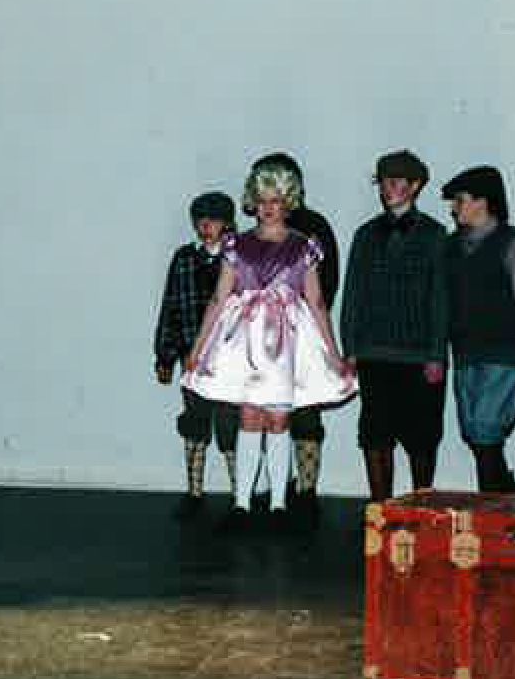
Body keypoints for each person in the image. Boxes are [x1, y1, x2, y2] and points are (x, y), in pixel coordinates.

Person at [182, 156, 355, 527]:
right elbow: (219, 298)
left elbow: (317, 301)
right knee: (248, 417)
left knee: (279, 419)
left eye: (275, 200)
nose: (268, 208)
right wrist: (197, 350)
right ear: (253, 202)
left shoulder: (304, 246)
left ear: (288, 201)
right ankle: (242, 503)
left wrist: (334, 353)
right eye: (261, 201)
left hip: (285, 344)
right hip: (245, 342)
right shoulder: (236, 245)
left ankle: (278, 504)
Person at [340, 149, 449, 500]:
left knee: (422, 438)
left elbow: (440, 299)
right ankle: (380, 510)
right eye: (384, 182)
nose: (388, 189)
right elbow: (352, 294)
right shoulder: (365, 234)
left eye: (397, 182)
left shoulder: (435, 235)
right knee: (375, 436)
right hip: (374, 353)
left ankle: (422, 508)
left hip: (418, 355)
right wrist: (350, 348)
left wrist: (436, 354)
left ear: (415, 186)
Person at [440, 165, 515, 494]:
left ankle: (493, 505)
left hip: (503, 355)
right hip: (466, 354)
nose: (454, 208)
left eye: (460, 200)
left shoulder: (514, 245)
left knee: (486, 430)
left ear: (482, 202)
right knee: (476, 434)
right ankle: (508, 501)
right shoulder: (451, 247)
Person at [256, 152, 343, 522]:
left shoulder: (312, 227)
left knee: (306, 412)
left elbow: (326, 283)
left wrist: (309, 326)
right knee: (263, 413)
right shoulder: (257, 230)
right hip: (261, 339)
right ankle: (273, 489)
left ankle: (306, 490)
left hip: (301, 335)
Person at [153, 191, 241, 517]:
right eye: (200, 221)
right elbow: (171, 306)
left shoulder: (239, 257)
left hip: (231, 359)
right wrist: (165, 354)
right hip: (192, 357)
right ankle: (194, 492)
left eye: (213, 220)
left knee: (230, 425)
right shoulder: (184, 259)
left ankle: (240, 495)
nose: (205, 227)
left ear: (227, 223)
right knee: (194, 422)